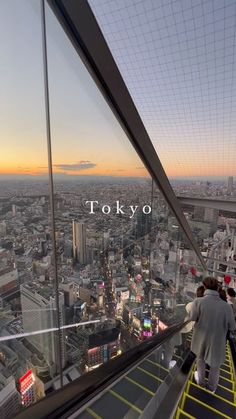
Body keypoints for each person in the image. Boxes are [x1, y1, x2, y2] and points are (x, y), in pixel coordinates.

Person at [189, 277, 236, 392]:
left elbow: (192, 318)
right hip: (218, 341)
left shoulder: (198, 302)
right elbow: (232, 327)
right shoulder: (226, 307)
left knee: (200, 359)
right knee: (215, 365)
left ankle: (201, 383)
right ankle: (211, 388)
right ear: (217, 288)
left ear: (204, 287)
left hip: (201, 337)